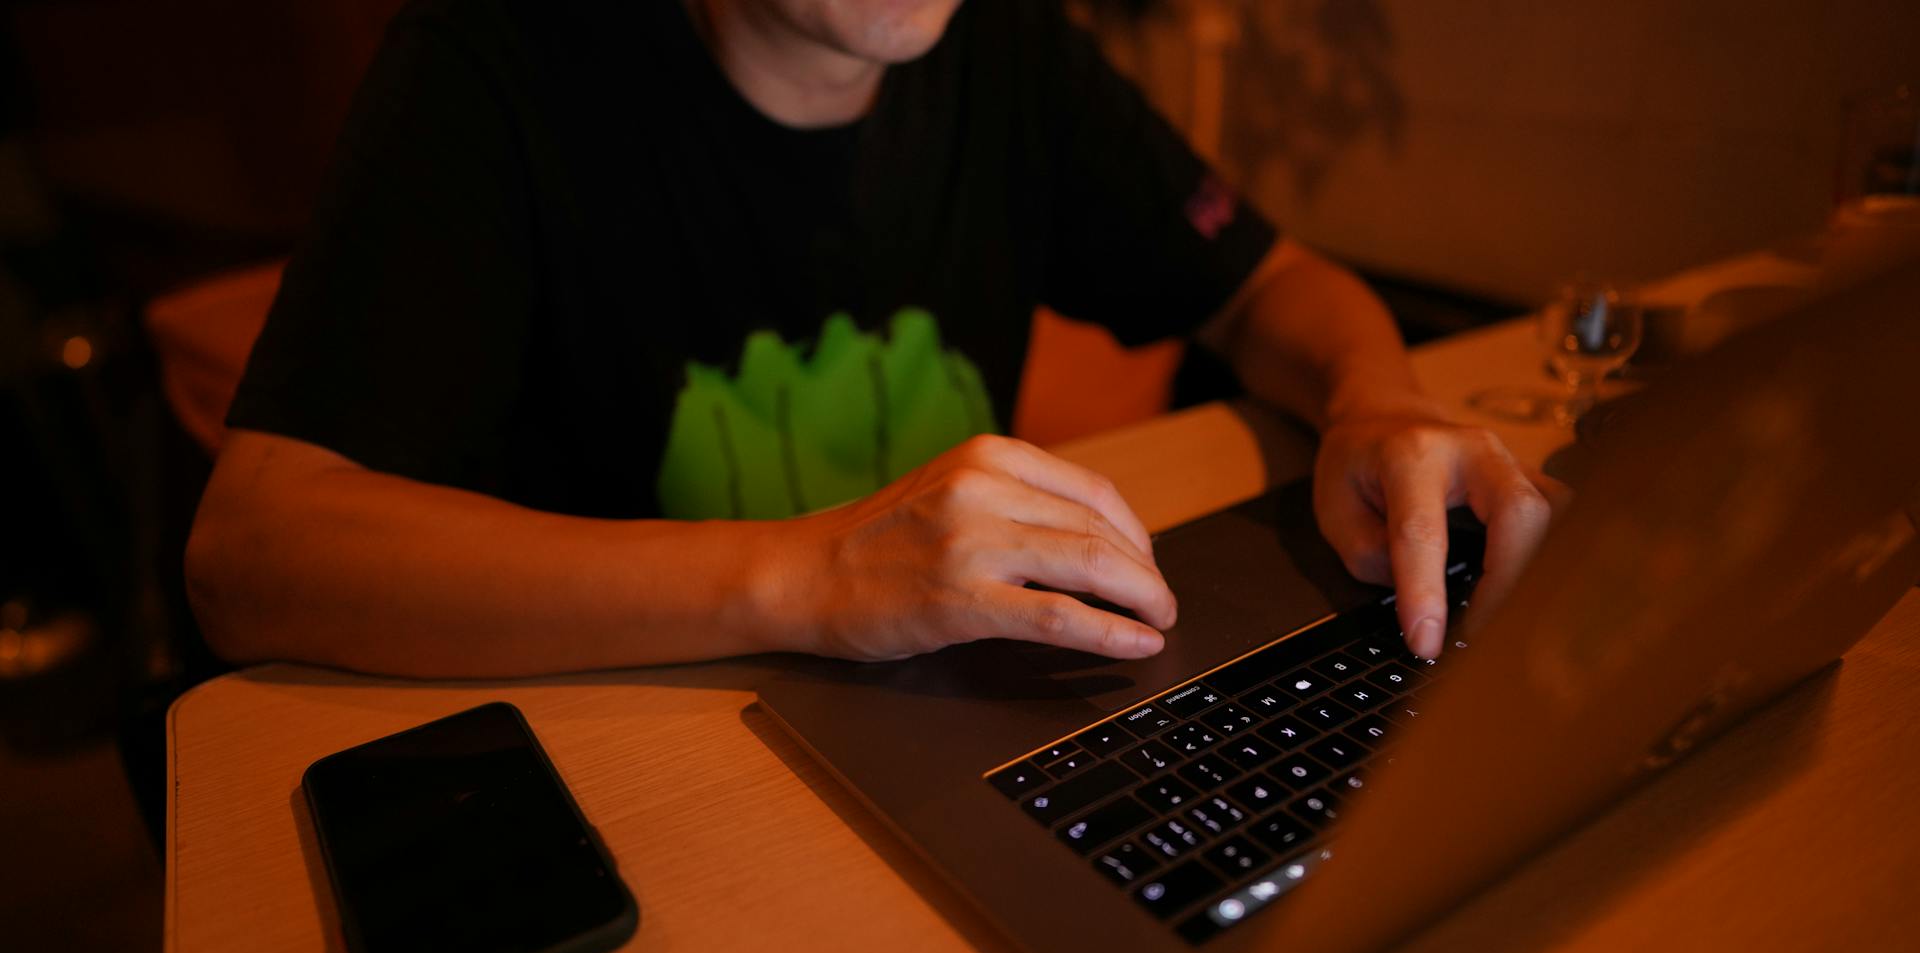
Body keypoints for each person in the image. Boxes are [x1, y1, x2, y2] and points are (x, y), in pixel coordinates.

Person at [185, 0, 1561, 679]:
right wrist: (805, 574)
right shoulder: (506, 55)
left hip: (936, 715)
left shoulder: (1008, 50)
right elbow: (254, 549)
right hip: (633, 719)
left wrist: (1376, 398)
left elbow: (1265, 284)